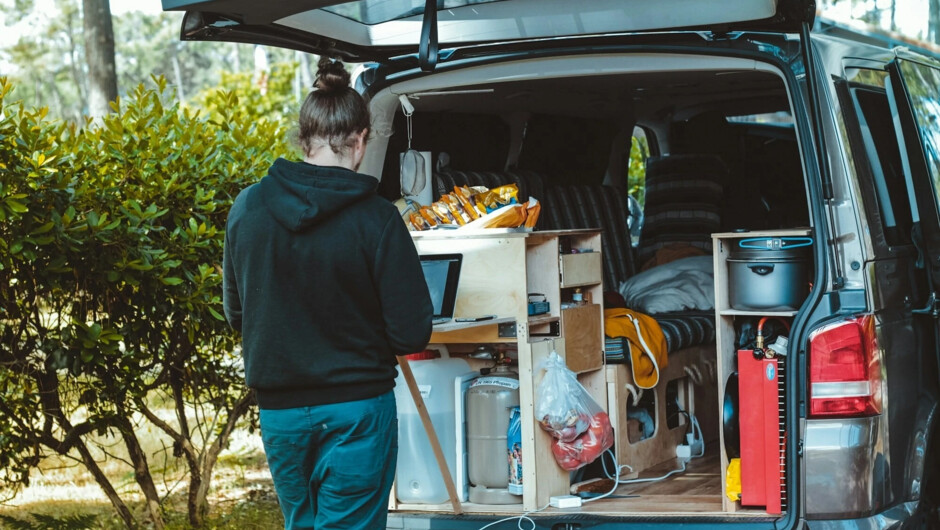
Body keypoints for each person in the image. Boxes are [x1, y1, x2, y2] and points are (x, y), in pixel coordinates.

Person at [222, 56, 433, 530]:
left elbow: (238, 313)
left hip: (281, 414)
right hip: (358, 410)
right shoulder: (376, 218)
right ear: (360, 141)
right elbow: (411, 332)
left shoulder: (248, 208)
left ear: (304, 139)